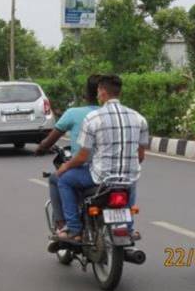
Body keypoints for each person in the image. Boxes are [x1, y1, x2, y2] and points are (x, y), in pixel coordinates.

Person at [57, 75, 149, 242]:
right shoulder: (139, 118)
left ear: (103, 92)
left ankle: (74, 228)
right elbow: (140, 156)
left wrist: (65, 167)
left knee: (64, 180)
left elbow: (82, 157)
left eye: (99, 91)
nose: (98, 95)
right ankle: (128, 228)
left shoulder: (93, 118)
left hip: (100, 178)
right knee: (130, 180)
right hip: (128, 178)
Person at [35, 75, 101, 232]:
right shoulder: (112, 114)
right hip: (115, 172)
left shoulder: (74, 113)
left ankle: (65, 225)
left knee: (56, 178)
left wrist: (41, 148)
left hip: (89, 169)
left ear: (86, 94)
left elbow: (52, 139)